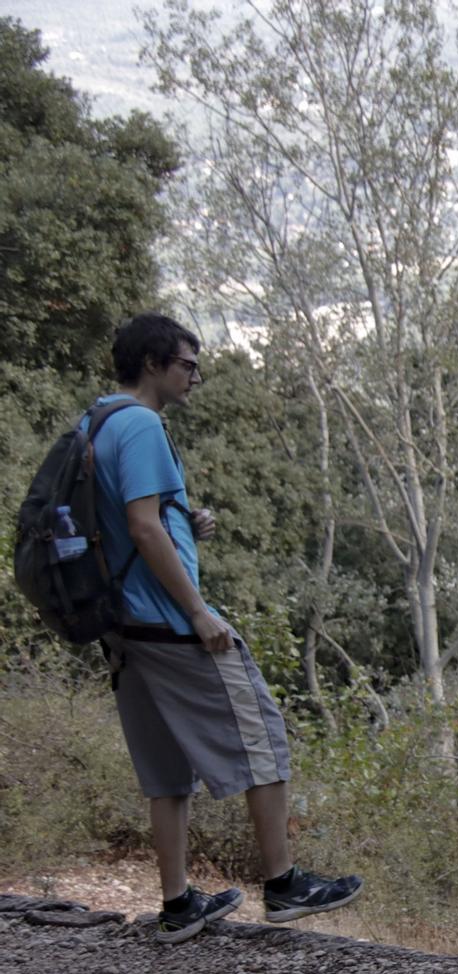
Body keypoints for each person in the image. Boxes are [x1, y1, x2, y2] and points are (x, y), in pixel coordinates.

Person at [90, 313, 362, 942]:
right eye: (189, 363)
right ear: (155, 363)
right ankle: (284, 884)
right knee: (263, 733)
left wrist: (189, 522)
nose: (196, 375)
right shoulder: (141, 425)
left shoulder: (97, 421)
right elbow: (143, 527)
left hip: (123, 626)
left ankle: (178, 904)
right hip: (166, 620)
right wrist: (197, 611)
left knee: (164, 770)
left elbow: (141, 516)